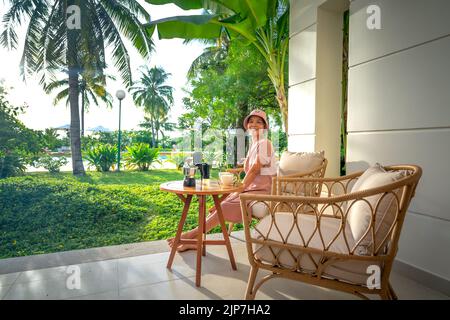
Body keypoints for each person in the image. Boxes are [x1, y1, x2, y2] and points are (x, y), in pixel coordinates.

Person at [168, 109, 277, 252]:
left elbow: (256, 168)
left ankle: (191, 235)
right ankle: (196, 241)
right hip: (251, 188)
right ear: (247, 125)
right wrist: (244, 163)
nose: (254, 124)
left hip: (262, 191)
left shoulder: (265, 143)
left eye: (259, 122)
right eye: (251, 121)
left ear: (265, 126)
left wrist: (241, 188)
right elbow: (256, 165)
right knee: (216, 206)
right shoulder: (254, 144)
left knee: (223, 207)